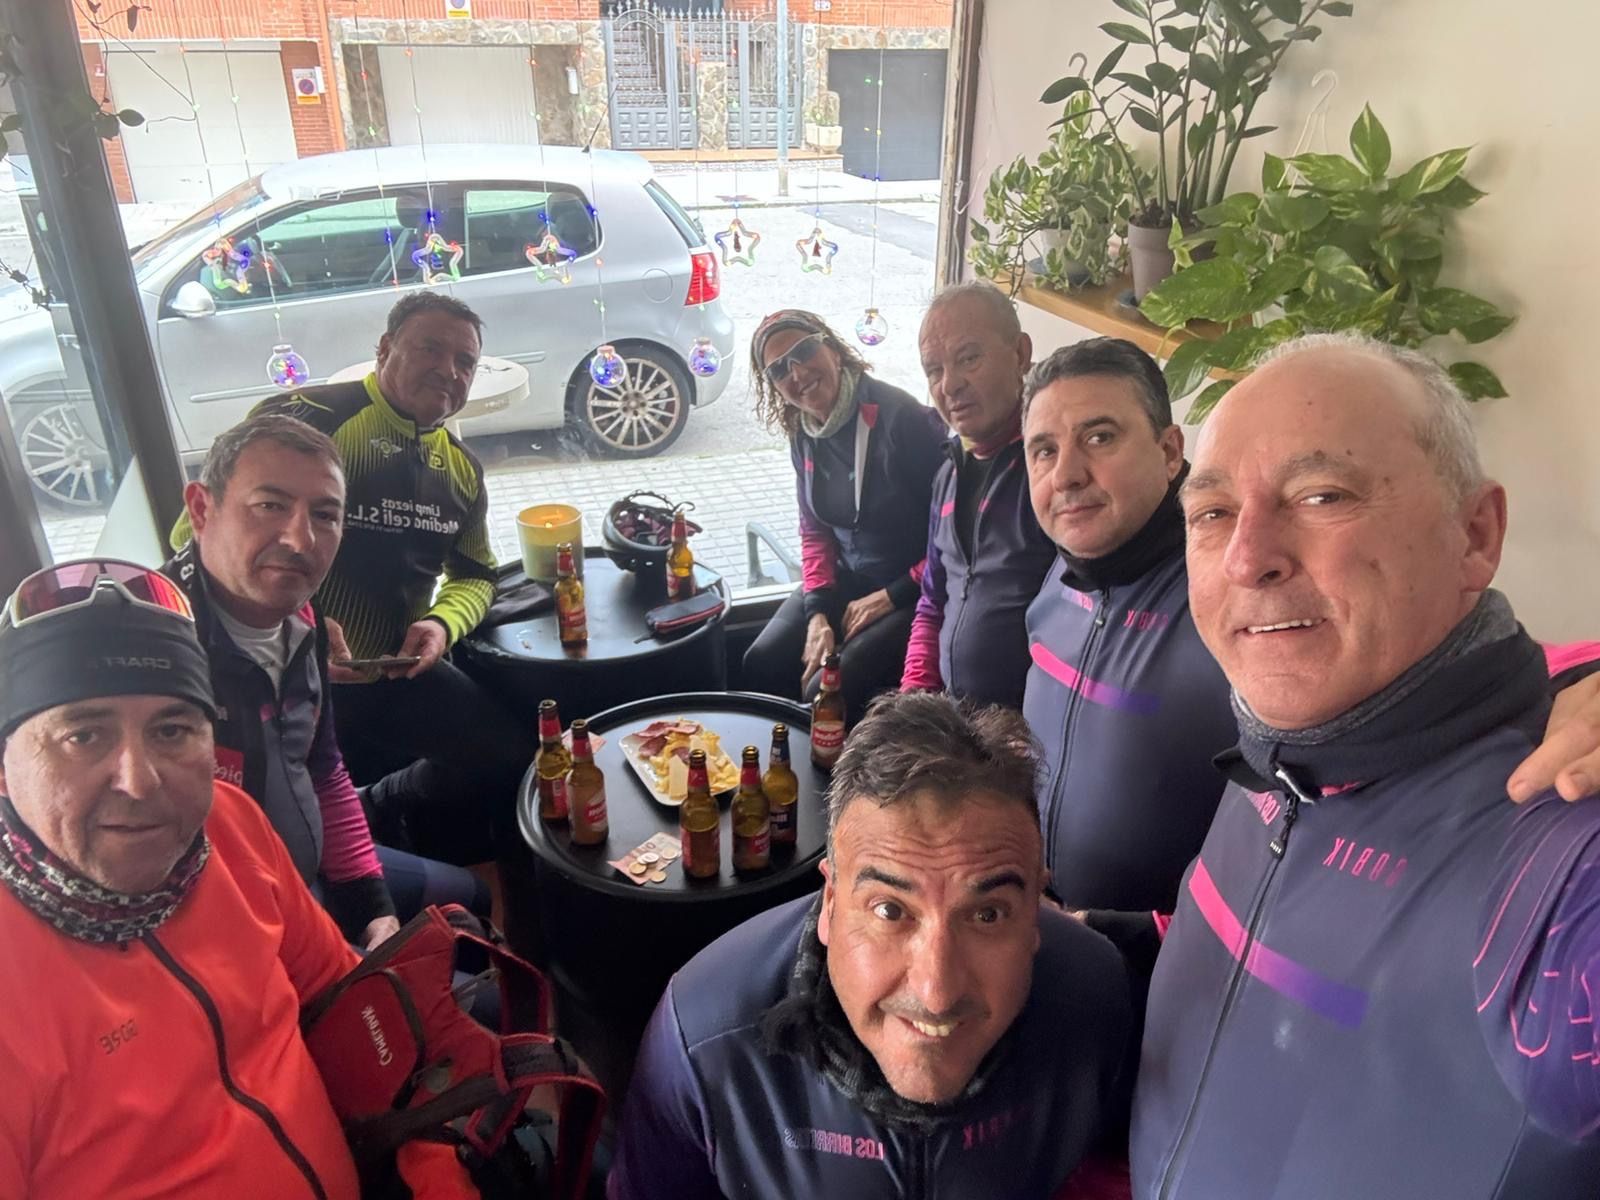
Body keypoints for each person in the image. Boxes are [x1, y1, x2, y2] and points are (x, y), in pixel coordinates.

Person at [1132, 334, 1600, 1196]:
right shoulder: (1285, 750)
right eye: (1213, 513)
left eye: (1322, 496)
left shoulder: (1564, 847)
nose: (1247, 557)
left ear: (1475, 535)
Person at [0, 559, 472, 1197]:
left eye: (172, 730)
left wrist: (436, 1165)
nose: (138, 781)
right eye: (83, 736)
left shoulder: (228, 826)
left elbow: (349, 1001)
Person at [609, 691, 1130, 1199]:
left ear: (1037, 908)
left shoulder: (1094, 1001)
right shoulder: (703, 1041)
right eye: (890, 911)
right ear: (831, 903)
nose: (937, 993)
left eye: (987, 915)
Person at [176, 291, 533, 863]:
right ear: (385, 348)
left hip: (395, 672)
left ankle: (382, 805)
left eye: (465, 361)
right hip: (287, 673)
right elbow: (193, 538)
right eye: (429, 348)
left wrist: (441, 625)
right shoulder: (307, 419)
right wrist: (299, 625)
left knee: (513, 756)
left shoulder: (462, 468)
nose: (448, 370)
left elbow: (477, 574)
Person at [167, 412, 491, 946]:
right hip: (242, 926)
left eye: (324, 514)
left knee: (471, 901)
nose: (300, 539)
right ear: (202, 509)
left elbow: (322, 769)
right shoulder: (154, 655)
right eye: (270, 505)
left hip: (314, 867)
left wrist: (372, 908)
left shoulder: (305, 624)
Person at [1020, 339, 1234, 915]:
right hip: (1039, 920)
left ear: (1169, 452)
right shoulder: (1065, 565)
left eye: (1099, 437)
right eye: (1044, 451)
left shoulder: (1232, 593)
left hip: (1160, 956)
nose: (1066, 475)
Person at [741, 310, 948, 721]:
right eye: (778, 370)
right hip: (849, 579)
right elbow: (814, 530)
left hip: (914, 589)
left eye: (803, 351)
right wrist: (817, 612)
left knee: (825, 692)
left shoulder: (903, 420)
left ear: (833, 350)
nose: (796, 373)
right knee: (761, 661)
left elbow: (953, 539)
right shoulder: (803, 431)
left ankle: (830, 764)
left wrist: (891, 595)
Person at [901, 282, 1058, 709]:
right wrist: (913, 699)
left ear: (1020, 354)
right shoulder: (948, 474)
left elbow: (1081, 628)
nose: (950, 385)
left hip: (1025, 728)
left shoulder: (1053, 474)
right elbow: (933, 601)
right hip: (954, 718)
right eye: (934, 370)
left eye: (968, 358)